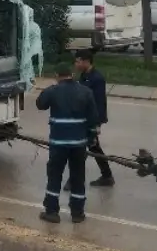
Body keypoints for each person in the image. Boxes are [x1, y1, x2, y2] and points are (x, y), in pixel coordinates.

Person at [35, 65, 100, 224]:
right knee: (78, 176)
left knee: (55, 175)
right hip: (78, 144)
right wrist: (91, 138)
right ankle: (77, 213)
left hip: (59, 143)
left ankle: (52, 212)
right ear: (72, 74)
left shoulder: (53, 91)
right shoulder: (85, 92)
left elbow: (40, 104)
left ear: (57, 75)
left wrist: (49, 89)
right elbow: (93, 120)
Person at [75, 49, 114, 187]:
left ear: (86, 61)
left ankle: (74, 181)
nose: (76, 64)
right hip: (84, 118)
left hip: (91, 120)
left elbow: (100, 102)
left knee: (83, 148)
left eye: (78, 61)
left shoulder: (97, 79)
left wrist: (98, 123)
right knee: (94, 148)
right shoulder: (84, 76)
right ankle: (107, 175)